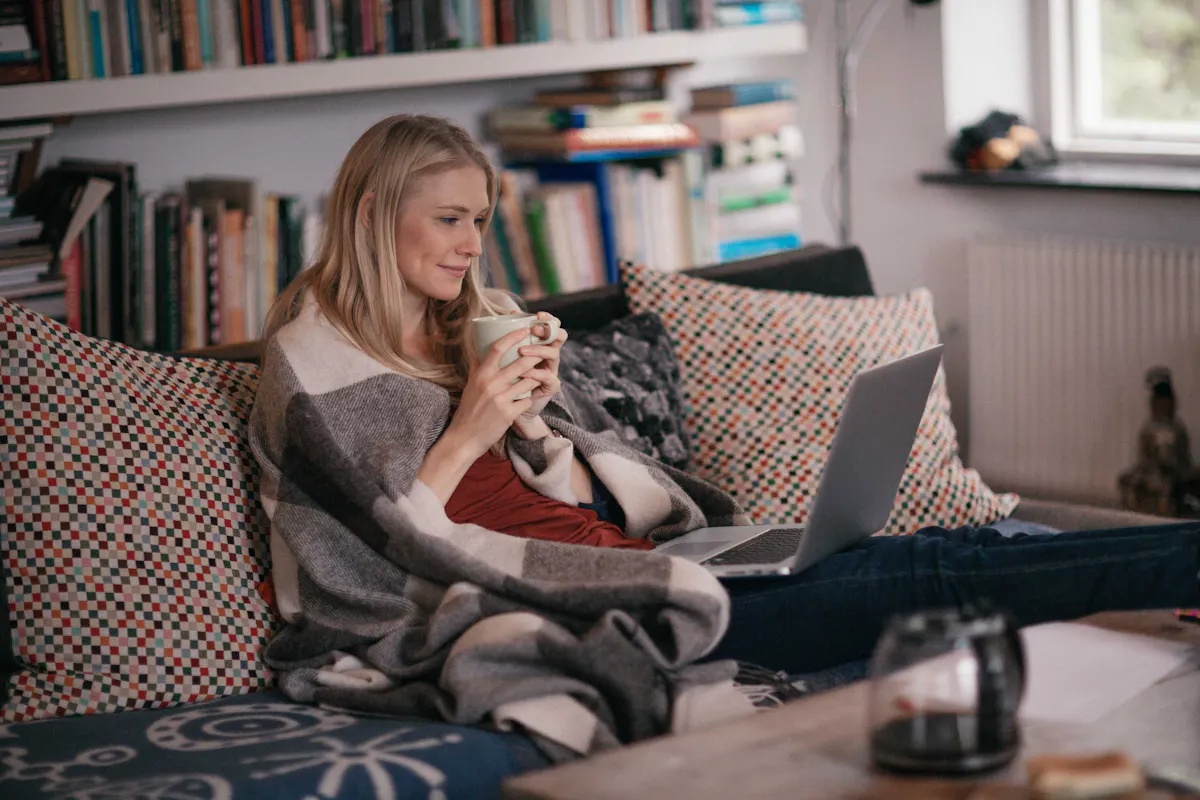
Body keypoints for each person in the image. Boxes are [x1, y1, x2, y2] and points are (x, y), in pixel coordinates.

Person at [256, 114, 1200, 687]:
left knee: (955, 547)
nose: (472, 245)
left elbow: (581, 500)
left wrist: (540, 425)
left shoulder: (478, 320)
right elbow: (379, 556)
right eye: (451, 220)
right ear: (378, 216)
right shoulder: (313, 362)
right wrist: (472, 429)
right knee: (930, 582)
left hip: (637, 563)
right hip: (577, 611)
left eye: (482, 221)